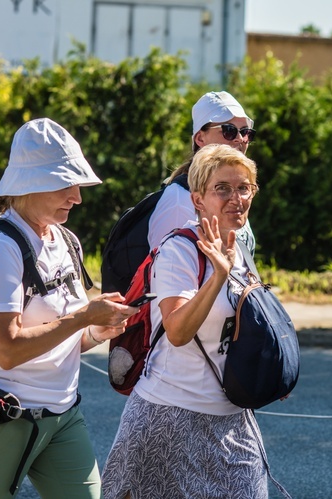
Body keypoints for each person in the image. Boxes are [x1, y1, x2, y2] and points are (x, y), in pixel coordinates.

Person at [0, 118, 137, 498]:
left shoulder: (66, 240)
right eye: (65, 184)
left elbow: (67, 338)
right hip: (4, 416)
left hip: (63, 416)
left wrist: (96, 330)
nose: (77, 196)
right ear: (29, 183)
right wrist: (83, 317)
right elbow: (6, 351)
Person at [102, 144, 286, 498]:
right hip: (167, 419)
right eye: (223, 189)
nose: (237, 197)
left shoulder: (239, 247)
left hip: (233, 421)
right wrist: (217, 276)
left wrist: (271, 366)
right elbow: (177, 331)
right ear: (198, 199)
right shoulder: (180, 250)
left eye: (244, 187)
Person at [147, 90, 258, 255]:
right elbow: (164, 271)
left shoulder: (236, 193)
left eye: (245, 132)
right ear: (200, 138)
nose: (240, 139)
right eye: (229, 130)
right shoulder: (179, 199)